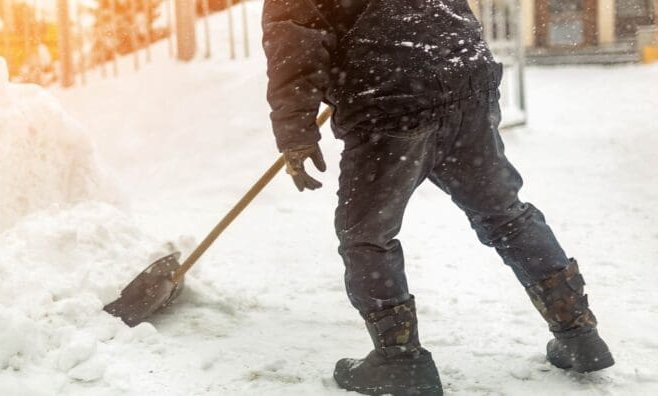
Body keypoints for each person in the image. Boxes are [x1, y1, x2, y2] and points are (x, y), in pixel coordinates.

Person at [261, 0, 614, 394]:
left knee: (366, 236)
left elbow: (294, 38)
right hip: (463, 76)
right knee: (505, 214)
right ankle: (578, 333)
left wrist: (295, 133)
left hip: (390, 99)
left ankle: (399, 361)